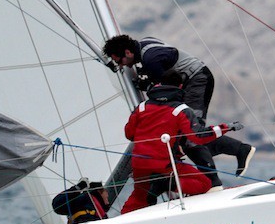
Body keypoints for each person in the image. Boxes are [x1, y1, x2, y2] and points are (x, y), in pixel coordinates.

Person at [104, 34, 252, 181]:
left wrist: (148, 86)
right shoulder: (145, 47)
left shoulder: (150, 60)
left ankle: (219, 174)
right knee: (186, 137)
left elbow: (165, 92)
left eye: (120, 61)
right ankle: (217, 173)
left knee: (191, 136)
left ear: (128, 52)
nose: (122, 65)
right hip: (192, 81)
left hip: (197, 81)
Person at [120, 74, 237, 214]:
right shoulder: (181, 110)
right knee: (204, 183)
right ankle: (166, 184)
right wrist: (225, 127)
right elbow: (198, 136)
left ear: (159, 84)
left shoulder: (142, 107)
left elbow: (129, 134)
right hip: (164, 165)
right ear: (181, 86)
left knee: (140, 197)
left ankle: (118, 221)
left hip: (139, 163)